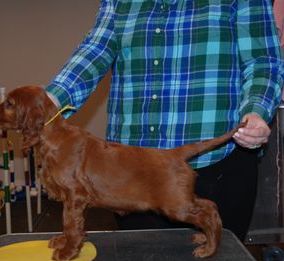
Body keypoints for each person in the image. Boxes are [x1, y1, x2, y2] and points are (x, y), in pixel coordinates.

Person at [45, 0, 284, 242]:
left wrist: (257, 109)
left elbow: (263, 61)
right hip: (131, 172)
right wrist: (47, 103)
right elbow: (95, 49)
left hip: (216, 165)